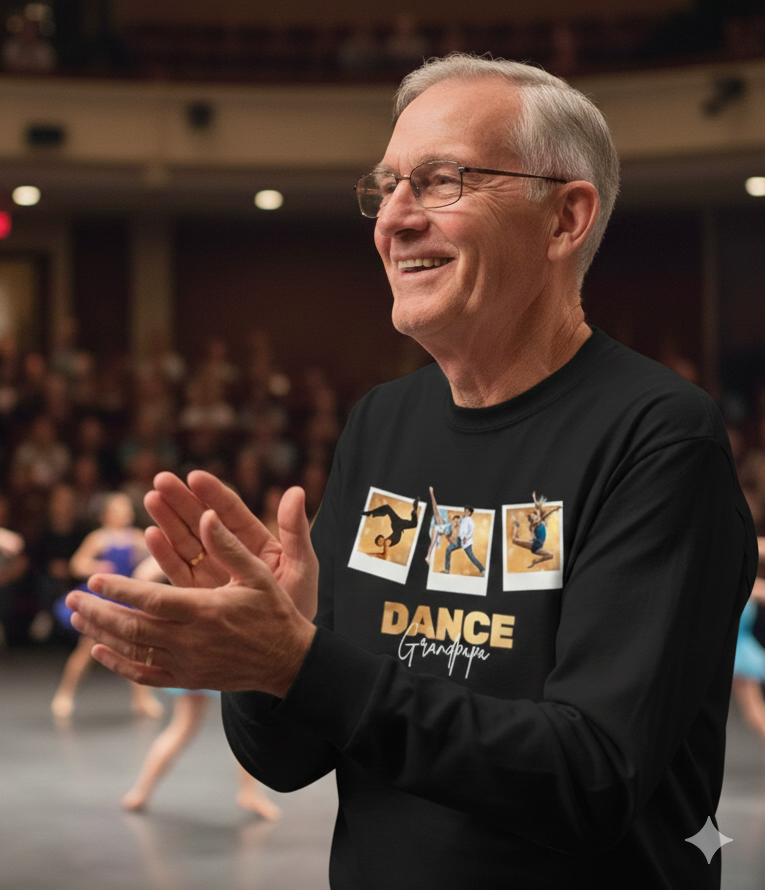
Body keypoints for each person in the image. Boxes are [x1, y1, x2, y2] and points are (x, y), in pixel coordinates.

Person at [66, 54, 756, 889]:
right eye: (385, 186)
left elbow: (591, 776)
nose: (392, 218)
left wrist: (300, 664)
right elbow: (290, 758)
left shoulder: (657, 438)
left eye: (438, 181)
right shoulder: (381, 423)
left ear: (564, 218)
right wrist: (259, 657)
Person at [51, 493, 163, 720]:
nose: (124, 513)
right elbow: (76, 564)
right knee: (86, 649)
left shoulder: (136, 537)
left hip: (127, 598)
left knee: (137, 653)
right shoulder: (99, 538)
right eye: (118, 509)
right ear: (106, 515)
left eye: (126, 509)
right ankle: (64, 694)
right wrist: (95, 565)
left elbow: (155, 558)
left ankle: (142, 699)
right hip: (103, 598)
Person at [443, 505, 484, 575]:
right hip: (459, 540)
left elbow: (471, 531)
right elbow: (455, 522)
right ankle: (447, 570)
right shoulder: (461, 518)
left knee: (472, 557)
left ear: (470, 513)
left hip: (466, 542)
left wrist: (466, 538)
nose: (465, 512)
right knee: (448, 549)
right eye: (465, 511)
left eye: (467, 512)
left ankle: (482, 570)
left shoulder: (470, 521)